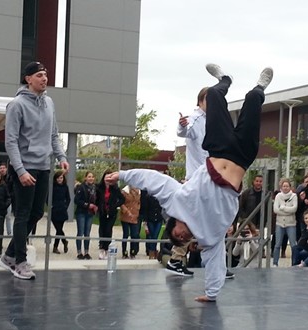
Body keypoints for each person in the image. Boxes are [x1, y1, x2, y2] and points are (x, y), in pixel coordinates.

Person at [104, 63, 273, 302]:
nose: (183, 237)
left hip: (218, 148)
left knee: (213, 95)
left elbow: (154, 180)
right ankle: (260, 86)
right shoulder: (208, 236)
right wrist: (211, 294)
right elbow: (214, 261)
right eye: (183, 240)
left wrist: (122, 175)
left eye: (178, 235)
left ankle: (225, 79)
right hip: (242, 158)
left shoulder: (176, 202)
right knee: (253, 99)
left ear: (173, 224)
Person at [0, 61, 69, 280]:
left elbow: (53, 134)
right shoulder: (17, 105)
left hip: (43, 166)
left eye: (45, 75)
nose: (44, 78)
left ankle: (8, 255)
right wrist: (19, 170)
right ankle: (19, 262)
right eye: (39, 75)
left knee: (37, 213)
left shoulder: (49, 102)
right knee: (23, 214)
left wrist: (61, 156)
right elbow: (10, 142)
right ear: (28, 79)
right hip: (25, 167)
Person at [166, 86, 210, 276]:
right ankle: (176, 259)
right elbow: (184, 130)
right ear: (200, 101)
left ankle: (215, 263)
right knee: (189, 219)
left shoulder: (214, 121)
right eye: (209, 100)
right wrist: (182, 124)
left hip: (210, 178)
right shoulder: (196, 118)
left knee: (212, 220)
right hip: (196, 179)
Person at [96, 170, 125, 260]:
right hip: (102, 211)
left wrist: (115, 205)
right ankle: (102, 248)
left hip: (111, 212)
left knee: (108, 230)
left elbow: (122, 199)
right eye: (106, 177)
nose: (107, 179)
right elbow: (95, 198)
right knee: (102, 229)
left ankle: (106, 248)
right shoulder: (99, 187)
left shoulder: (115, 189)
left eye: (109, 177)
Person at [272, 178, 297, 267]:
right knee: (277, 244)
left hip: (291, 224)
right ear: (281, 187)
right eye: (284, 186)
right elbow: (275, 210)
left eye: (287, 186)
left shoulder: (294, 196)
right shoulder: (278, 196)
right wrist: (286, 211)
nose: (285, 188)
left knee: (293, 244)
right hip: (279, 223)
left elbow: (294, 209)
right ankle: (275, 263)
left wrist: (283, 208)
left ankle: (294, 263)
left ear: (290, 187)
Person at [74, 171, 98, 260]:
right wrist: (87, 205)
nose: (91, 178)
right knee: (80, 232)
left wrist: (96, 206)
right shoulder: (81, 187)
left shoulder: (95, 188)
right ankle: (79, 252)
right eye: (89, 176)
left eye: (92, 177)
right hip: (81, 212)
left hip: (90, 213)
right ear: (85, 178)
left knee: (87, 233)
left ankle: (87, 251)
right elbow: (76, 200)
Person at [139, 189, 165, 259]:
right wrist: (145, 221)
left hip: (159, 219)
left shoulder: (161, 197)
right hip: (150, 219)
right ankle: (152, 251)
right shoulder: (148, 197)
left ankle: (152, 251)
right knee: (151, 236)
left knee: (155, 236)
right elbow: (146, 209)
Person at [51, 170, 70, 254]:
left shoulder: (65, 187)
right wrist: (50, 206)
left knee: (59, 230)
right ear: (55, 179)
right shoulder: (52, 187)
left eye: (61, 178)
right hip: (54, 210)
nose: (60, 179)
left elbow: (68, 198)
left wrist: (65, 206)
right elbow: (48, 197)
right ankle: (64, 241)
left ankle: (55, 247)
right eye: (58, 178)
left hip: (62, 210)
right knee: (58, 229)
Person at [120, 185, 141, 259]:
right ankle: (124, 252)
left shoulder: (139, 191)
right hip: (126, 215)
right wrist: (127, 211)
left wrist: (137, 211)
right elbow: (121, 203)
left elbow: (139, 202)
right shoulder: (124, 191)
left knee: (134, 234)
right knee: (126, 234)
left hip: (135, 216)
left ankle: (133, 252)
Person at [0, 162, 14, 236]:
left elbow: (12, 189)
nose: (2, 170)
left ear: (6, 169)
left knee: (8, 216)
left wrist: (9, 198)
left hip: (7, 200)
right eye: (1, 168)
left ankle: (9, 232)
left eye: (3, 168)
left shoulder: (10, 178)